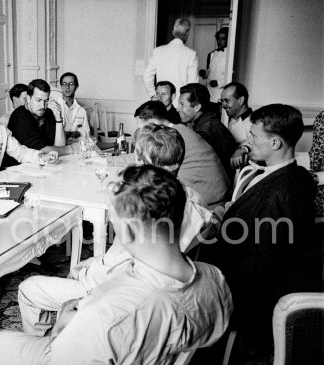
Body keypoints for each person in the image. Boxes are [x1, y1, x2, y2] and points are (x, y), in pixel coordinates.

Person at [0, 165, 232, 365]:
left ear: (131, 232)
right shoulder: (216, 278)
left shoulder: (103, 318)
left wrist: (60, 330)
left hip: (74, 347)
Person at [16, 123, 214, 337]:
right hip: (155, 289)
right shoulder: (193, 197)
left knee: (28, 289)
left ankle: (45, 347)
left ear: (141, 162)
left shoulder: (138, 211)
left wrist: (85, 271)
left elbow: (110, 272)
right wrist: (95, 263)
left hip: (116, 296)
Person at [199, 104, 319, 364]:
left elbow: (261, 262)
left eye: (253, 136)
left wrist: (217, 238)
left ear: (275, 142)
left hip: (248, 291)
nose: (247, 140)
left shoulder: (283, 192)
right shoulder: (291, 175)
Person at [109, 100, 230, 208]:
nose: (142, 133)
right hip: (210, 193)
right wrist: (107, 161)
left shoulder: (171, 137)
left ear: (154, 123)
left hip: (206, 202)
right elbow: (141, 155)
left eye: (143, 128)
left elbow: (143, 157)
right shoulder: (176, 130)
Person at [178, 83, 237, 179]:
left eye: (182, 104)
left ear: (197, 107)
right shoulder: (209, 121)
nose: (178, 109)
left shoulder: (204, 132)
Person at [7, 79, 73, 156]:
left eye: (46, 101)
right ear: (28, 99)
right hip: (19, 165)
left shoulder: (48, 112)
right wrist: (71, 149)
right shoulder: (20, 116)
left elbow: (59, 147)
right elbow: (41, 150)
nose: (42, 106)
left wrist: (59, 119)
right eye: (38, 100)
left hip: (45, 161)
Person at [144, 19, 198, 107]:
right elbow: (193, 84)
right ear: (187, 33)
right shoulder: (191, 54)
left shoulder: (158, 51)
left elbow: (147, 75)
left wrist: (153, 95)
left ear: (173, 32)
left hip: (161, 103)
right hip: (180, 105)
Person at [221, 82, 253, 168]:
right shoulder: (231, 118)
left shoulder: (253, 122)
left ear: (241, 100)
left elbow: (257, 144)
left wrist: (244, 149)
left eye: (227, 100)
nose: (223, 105)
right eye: (222, 101)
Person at [49, 72, 90, 139]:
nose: (67, 87)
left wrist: (78, 133)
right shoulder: (54, 106)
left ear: (76, 87)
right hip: (59, 145)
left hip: (77, 144)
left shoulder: (81, 111)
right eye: (64, 84)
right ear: (61, 86)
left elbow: (87, 132)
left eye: (71, 84)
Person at [200, 27, 228, 110]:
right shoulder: (211, 54)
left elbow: (232, 76)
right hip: (209, 95)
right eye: (218, 38)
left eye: (223, 38)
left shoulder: (230, 55)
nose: (219, 41)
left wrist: (218, 83)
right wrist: (204, 74)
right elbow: (208, 72)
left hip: (221, 95)